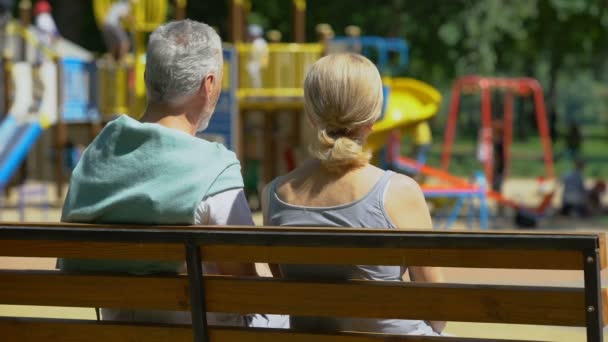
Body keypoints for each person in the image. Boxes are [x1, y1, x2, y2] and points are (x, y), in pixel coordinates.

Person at [59, 20, 257, 325]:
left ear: (145, 78)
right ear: (208, 85)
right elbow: (245, 291)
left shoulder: (95, 156)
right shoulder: (215, 168)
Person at [261, 53, 445, 335]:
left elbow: (284, 282)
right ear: (374, 118)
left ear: (311, 116)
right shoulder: (399, 192)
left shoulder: (274, 194)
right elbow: (438, 309)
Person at [246, 24, 268, 88]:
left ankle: (257, 93)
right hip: (256, 63)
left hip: (258, 64)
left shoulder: (259, 42)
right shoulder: (256, 42)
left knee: (257, 80)